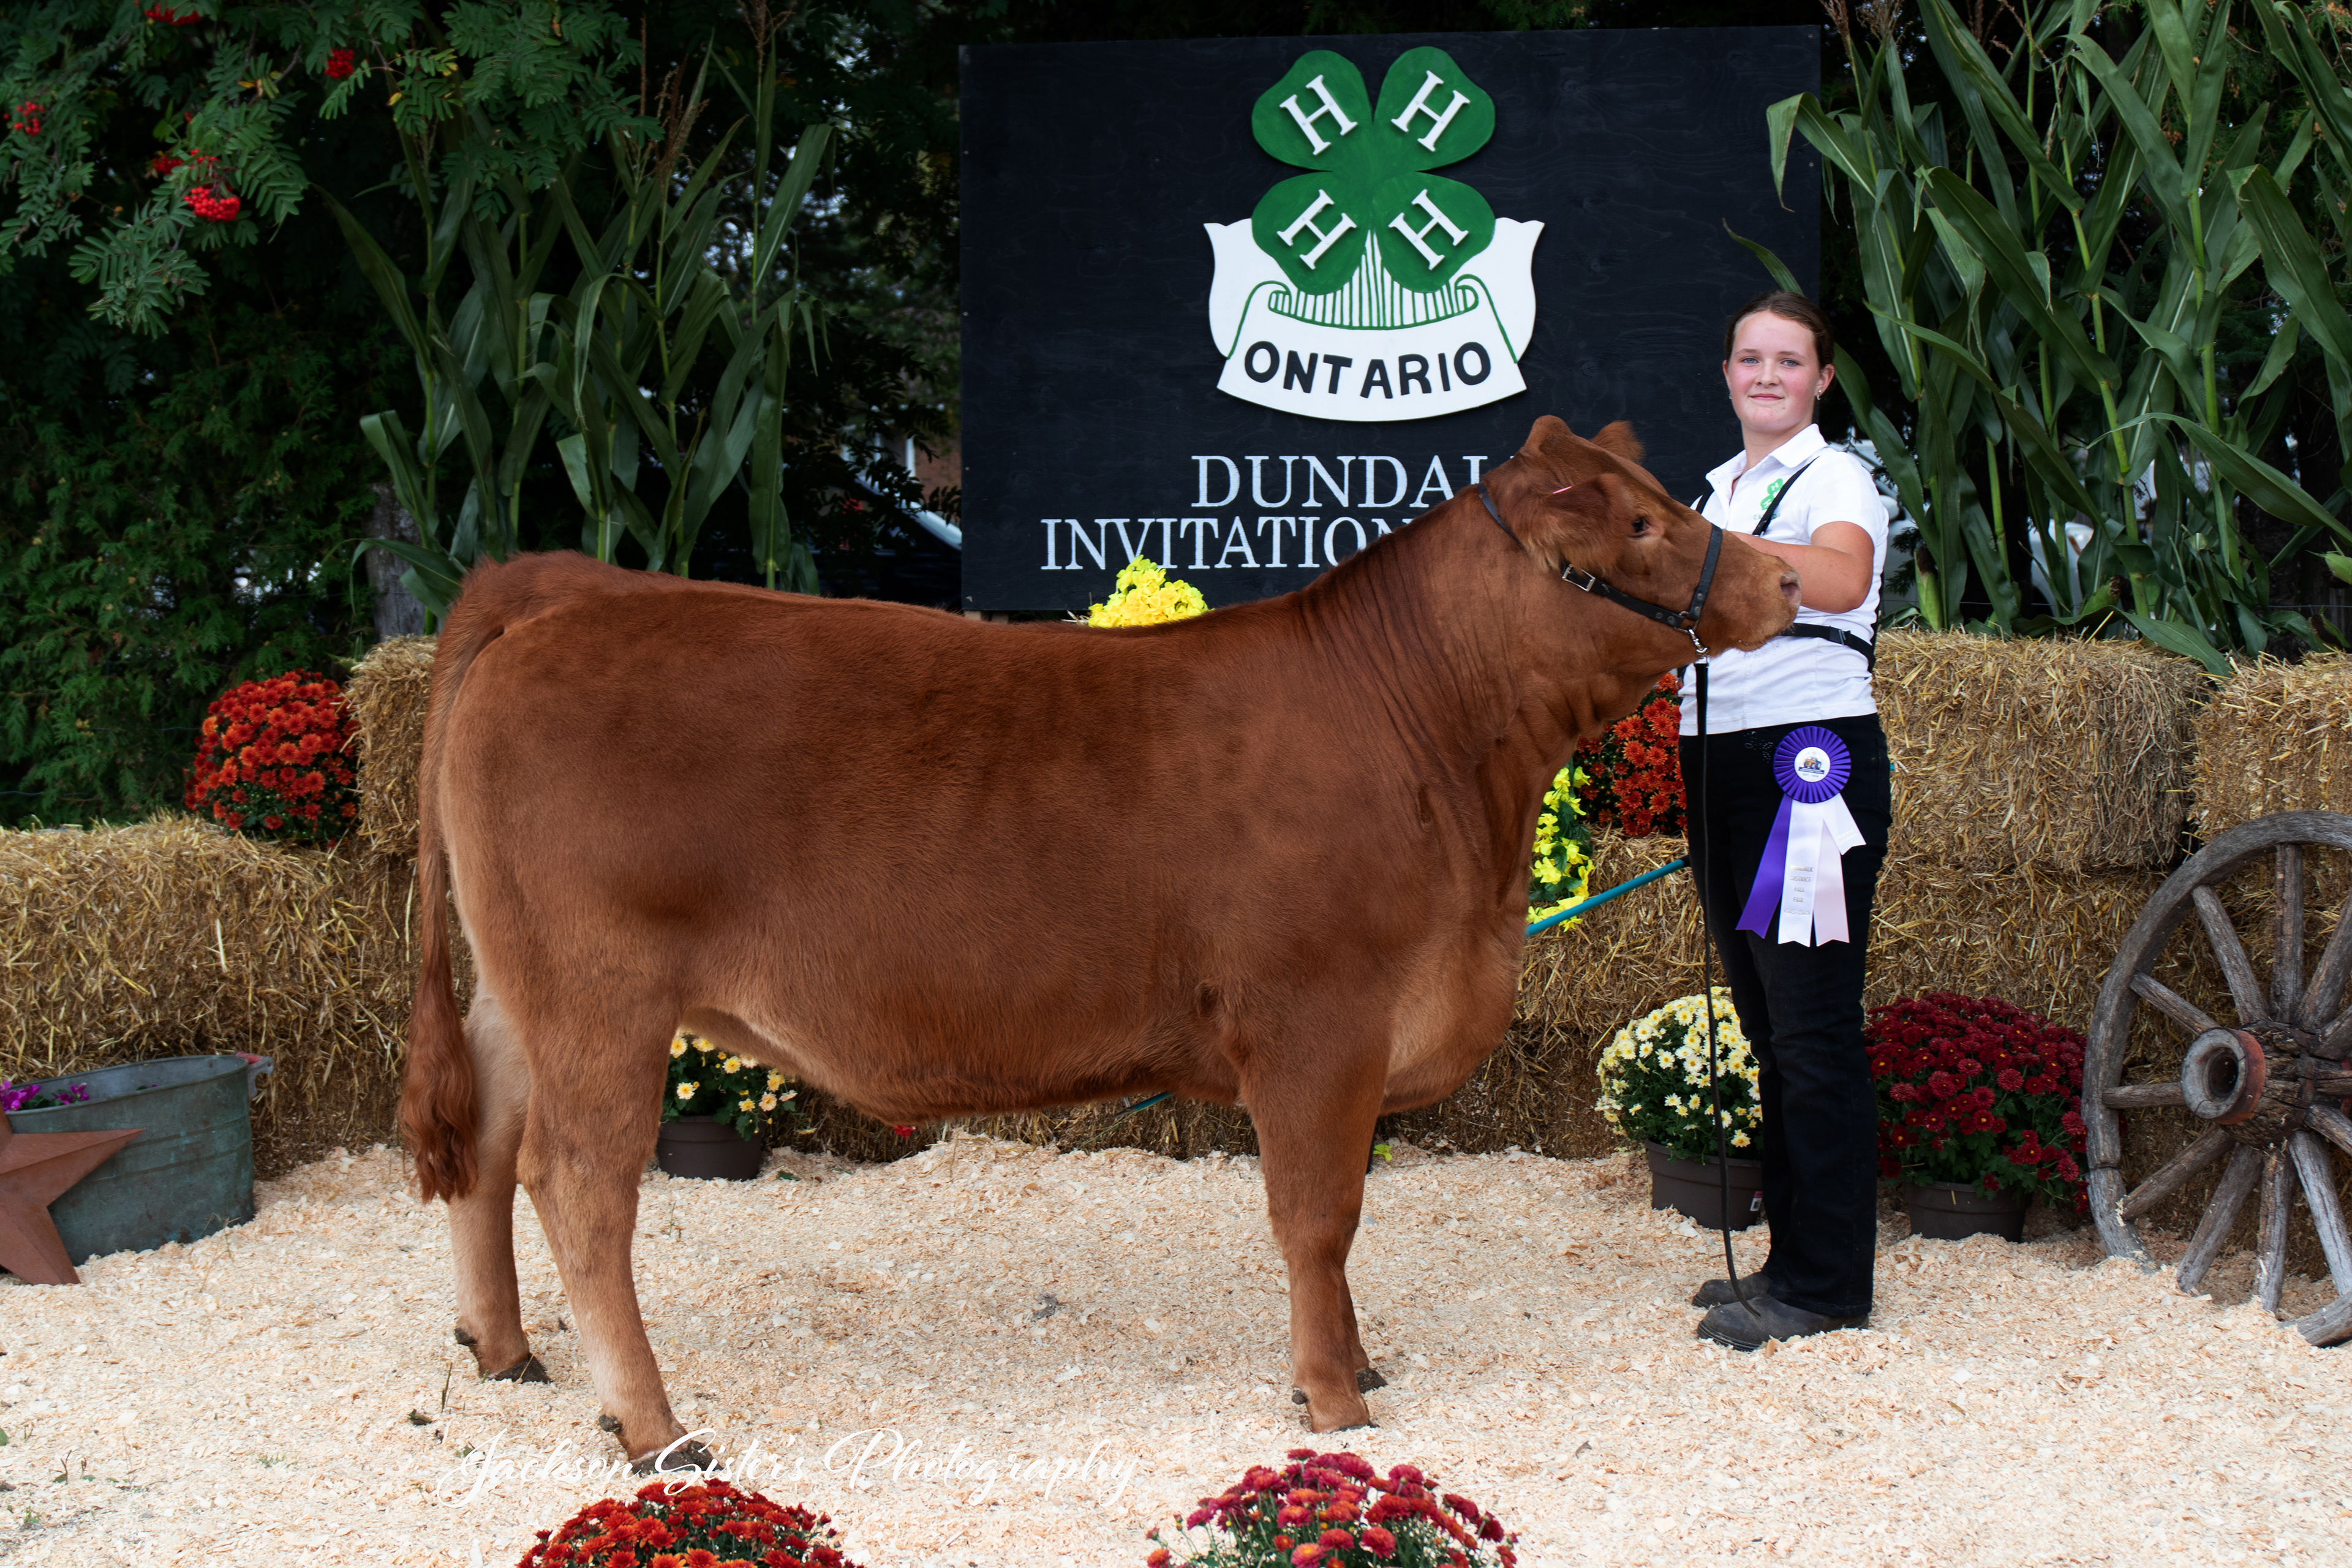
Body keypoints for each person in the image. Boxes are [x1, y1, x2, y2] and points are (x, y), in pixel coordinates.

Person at [1680, 290, 1893, 1350]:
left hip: (1807, 756)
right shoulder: (1716, 486)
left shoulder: (1833, 474)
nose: (1768, 376)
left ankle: (1827, 1285)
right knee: (1769, 1027)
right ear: (1727, 375)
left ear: (1822, 380)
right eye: (1751, 358)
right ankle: (1790, 1257)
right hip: (1715, 753)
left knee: (1811, 1027)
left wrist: (1704, 549)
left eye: (1789, 360)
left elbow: (1844, 577)